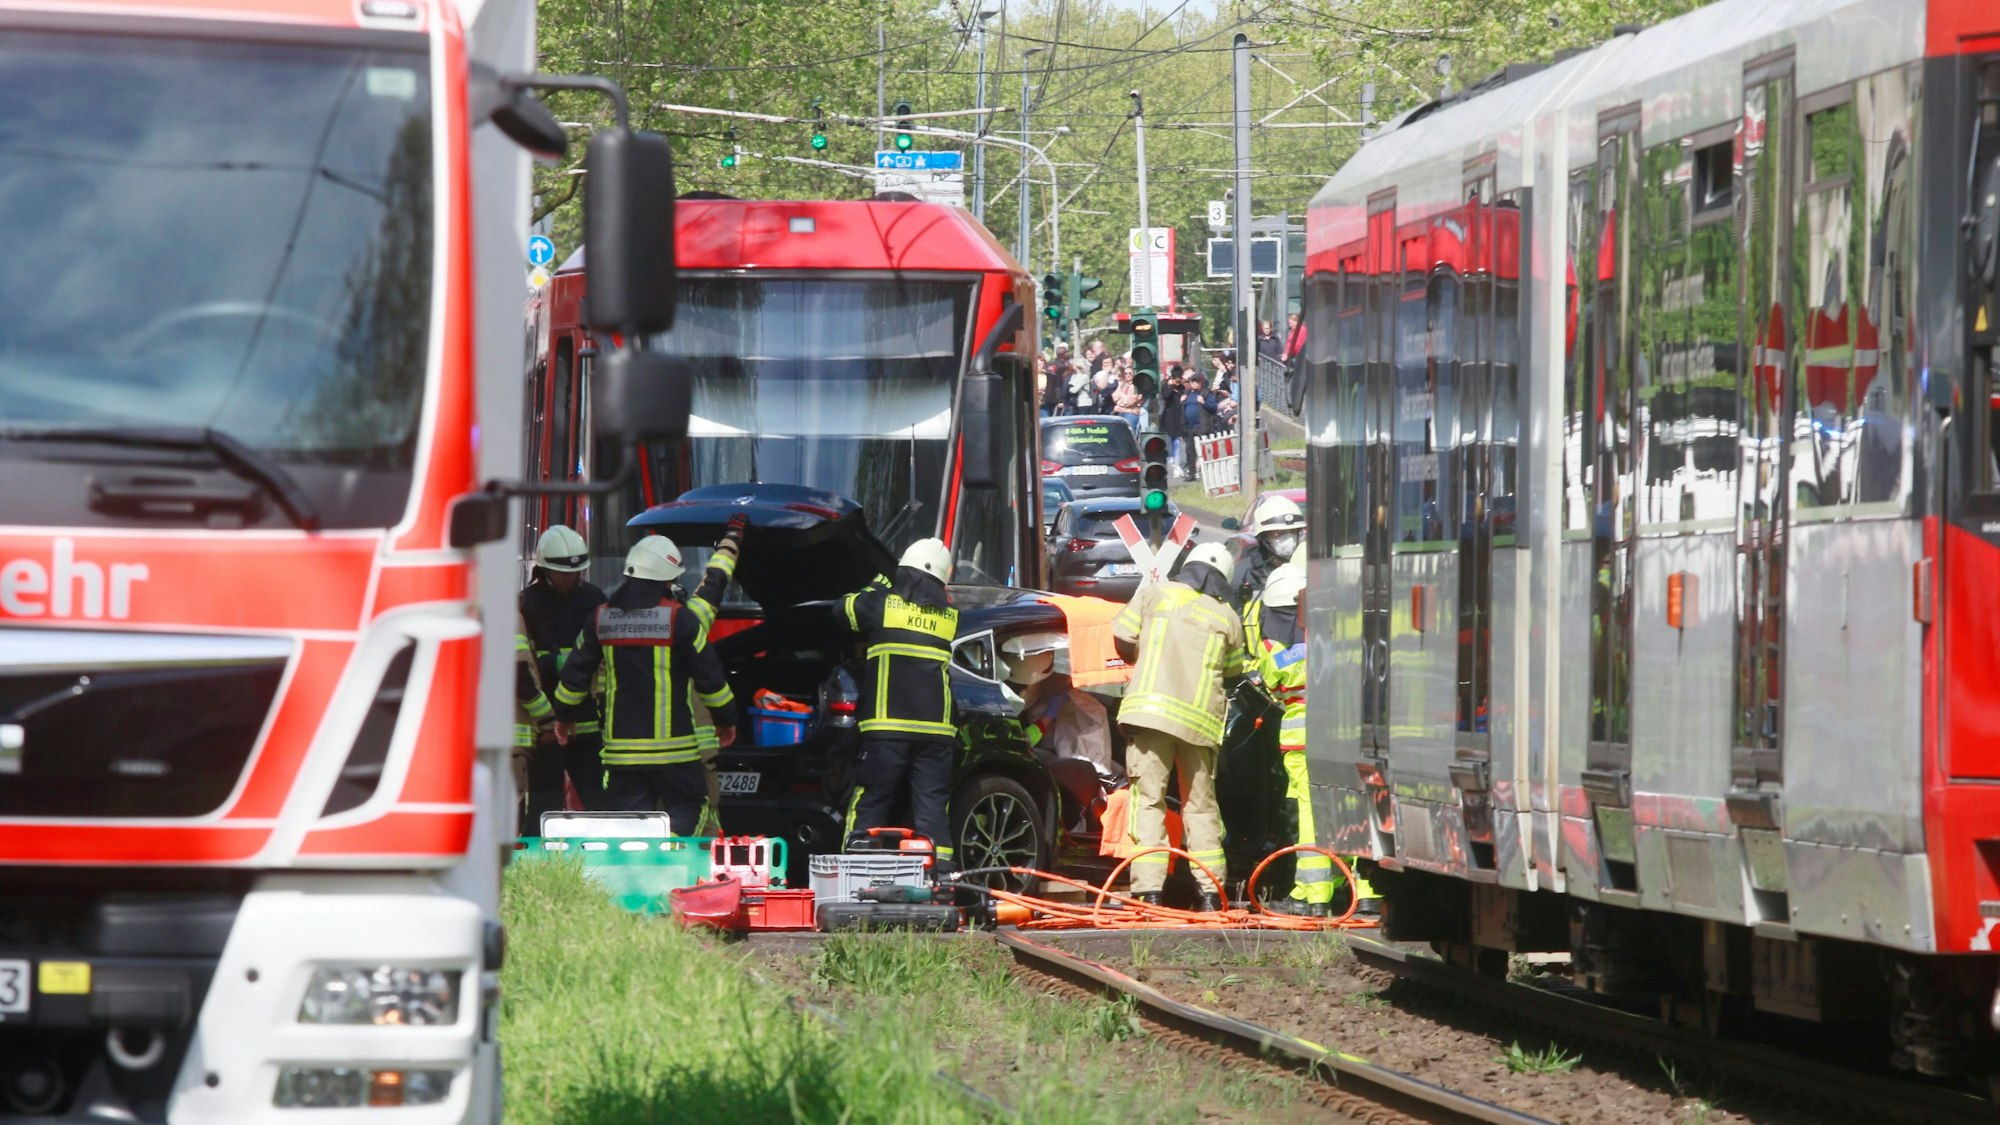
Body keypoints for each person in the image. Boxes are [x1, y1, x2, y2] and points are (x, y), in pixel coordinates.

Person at [554, 535, 737, 833]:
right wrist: (726, 720)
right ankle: (674, 862)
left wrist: (563, 717)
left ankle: (643, 873)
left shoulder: (601, 619)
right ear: (667, 579)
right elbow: (710, 680)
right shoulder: (680, 619)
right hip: (675, 753)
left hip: (621, 757)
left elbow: (574, 676)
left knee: (634, 828)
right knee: (689, 808)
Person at [1110, 540, 1246, 911]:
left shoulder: (1156, 594)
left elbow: (1122, 638)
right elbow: (1234, 673)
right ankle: (1211, 893)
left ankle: (1149, 892)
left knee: (1149, 802)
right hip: (1200, 726)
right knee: (1201, 807)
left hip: (1150, 716)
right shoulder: (1228, 617)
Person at [841, 538, 961, 874]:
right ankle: (942, 880)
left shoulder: (882, 604)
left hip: (886, 729)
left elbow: (844, 610)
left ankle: (853, 876)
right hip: (937, 734)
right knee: (933, 811)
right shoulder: (950, 616)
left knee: (871, 803)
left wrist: (880, 580)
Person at [1243, 560, 1338, 915]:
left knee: (1310, 815)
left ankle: (1312, 895)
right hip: (1342, 735)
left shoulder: (1272, 649)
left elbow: (1273, 682)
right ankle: (1367, 893)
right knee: (1349, 810)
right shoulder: (1335, 634)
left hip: (1302, 742)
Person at [520, 525, 608, 815]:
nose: (571, 577)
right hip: (546, 725)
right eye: (564, 573)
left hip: (588, 722)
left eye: (577, 571)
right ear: (545, 571)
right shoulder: (527, 604)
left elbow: (603, 657)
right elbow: (529, 664)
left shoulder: (594, 599)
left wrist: (558, 660)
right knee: (543, 805)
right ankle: (537, 861)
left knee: (600, 804)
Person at [676, 514, 752, 837]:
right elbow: (716, 578)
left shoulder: (620, 626)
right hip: (695, 746)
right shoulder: (691, 620)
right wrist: (732, 538)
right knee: (702, 811)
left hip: (645, 751)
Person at [513, 610, 556, 836]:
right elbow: (519, 676)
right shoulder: (506, 615)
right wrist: (547, 719)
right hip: (508, 740)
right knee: (508, 815)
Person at [1231, 492, 1306, 612]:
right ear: (1262, 537)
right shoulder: (1243, 576)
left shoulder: (1308, 571)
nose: (1288, 539)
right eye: (1278, 534)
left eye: (1292, 532)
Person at [1112, 368, 1144, 434]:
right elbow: (1115, 397)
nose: (1128, 375)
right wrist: (1125, 397)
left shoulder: (1137, 386)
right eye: (1126, 373)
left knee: (1129, 433)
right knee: (1117, 433)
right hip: (1119, 412)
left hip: (1131, 413)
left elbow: (1131, 401)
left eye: (1130, 373)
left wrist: (1121, 398)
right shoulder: (1121, 385)